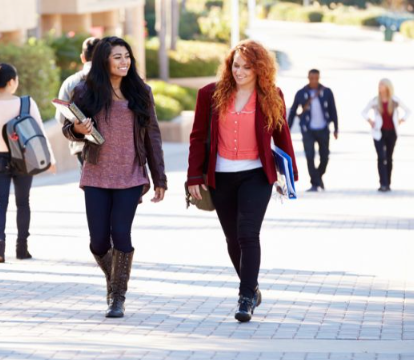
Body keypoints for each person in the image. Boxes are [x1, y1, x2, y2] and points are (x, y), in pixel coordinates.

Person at [187, 40, 298, 323]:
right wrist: (193, 176)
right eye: (236, 65)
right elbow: (198, 137)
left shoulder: (272, 95)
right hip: (220, 175)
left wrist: (290, 174)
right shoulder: (209, 95)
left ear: (260, 68)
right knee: (232, 238)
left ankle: (245, 297)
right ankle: (253, 285)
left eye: (247, 67)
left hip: (256, 174)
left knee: (248, 233)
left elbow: (281, 134)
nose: (240, 71)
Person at [62, 36, 167, 318]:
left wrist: (160, 179)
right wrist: (79, 131)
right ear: (104, 61)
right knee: (98, 241)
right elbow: (68, 128)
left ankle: (117, 296)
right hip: (96, 174)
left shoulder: (141, 91)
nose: (124, 61)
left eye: (127, 56)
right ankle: (116, 278)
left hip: (130, 176)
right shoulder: (87, 92)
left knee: (121, 233)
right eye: (117, 57)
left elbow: (152, 136)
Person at [0, 63, 56, 262]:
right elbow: (40, 135)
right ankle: (21, 249)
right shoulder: (26, 104)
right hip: (24, 159)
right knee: (23, 203)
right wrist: (50, 160)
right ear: (12, 82)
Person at [288, 69, 338, 192]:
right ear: (308, 78)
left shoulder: (327, 92)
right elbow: (293, 111)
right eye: (312, 78)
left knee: (325, 157)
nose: (314, 81)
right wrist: (287, 129)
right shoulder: (300, 93)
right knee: (309, 156)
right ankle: (315, 183)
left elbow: (333, 110)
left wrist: (336, 128)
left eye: (316, 78)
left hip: (323, 129)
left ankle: (318, 178)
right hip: (308, 130)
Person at [55, 37, 100, 168]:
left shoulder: (70, 82)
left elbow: (61, 118)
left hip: (82, 147)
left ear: (82, 57)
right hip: (111, 147)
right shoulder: (114, 80)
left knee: (89, 186)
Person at [361, 78, 410, 192]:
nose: (379, 87)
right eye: (379, 85)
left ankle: (388, 182)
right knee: (381, 157)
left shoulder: (394, 100)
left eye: (382, 85)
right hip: (379, 132)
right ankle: (382, 183)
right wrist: (370, 121)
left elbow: (408, 110)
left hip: (392, 132)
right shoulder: (375, 100)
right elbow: (363, 112)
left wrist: (401, 120)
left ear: (388, 87)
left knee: (388, 157)